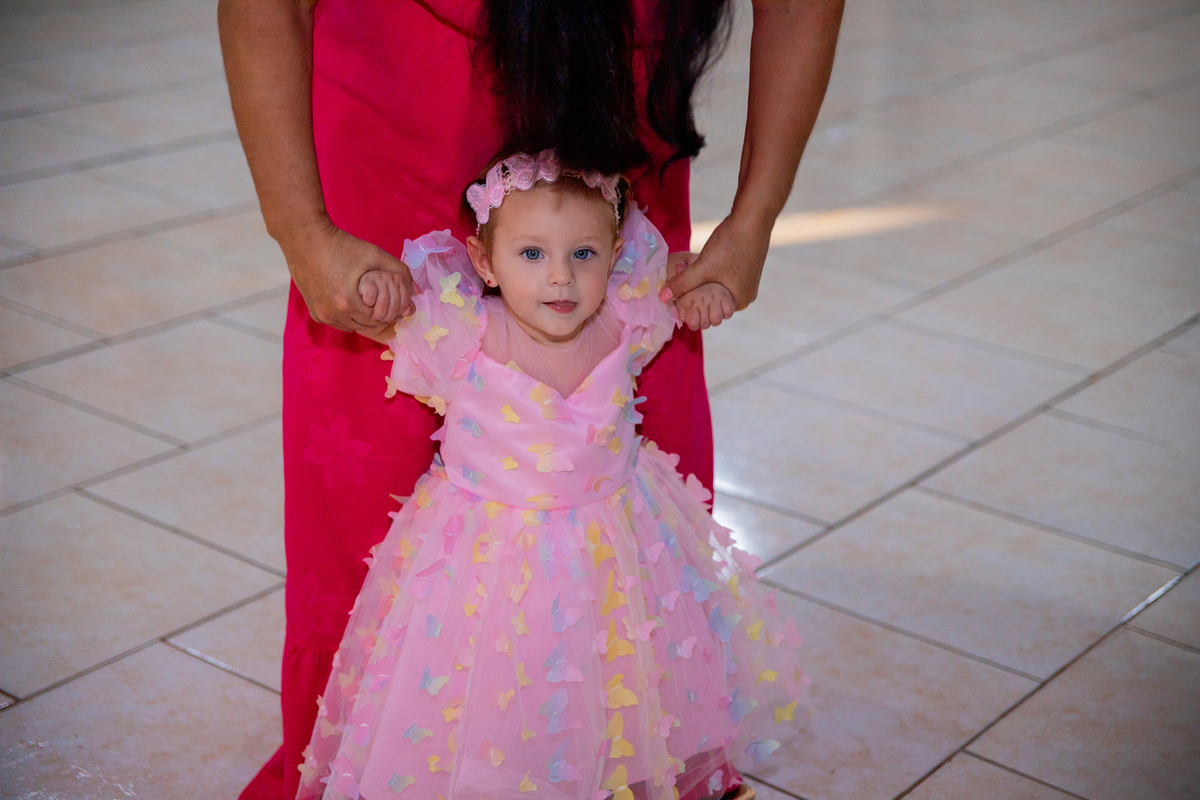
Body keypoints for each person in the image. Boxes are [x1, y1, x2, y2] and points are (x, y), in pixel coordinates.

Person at [217, 2, 843, 797]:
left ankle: (628, 757)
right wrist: (301, 229)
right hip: (398, 99)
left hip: (610, 107)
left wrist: (754, 218)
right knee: (368, 482)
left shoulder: (620, 270)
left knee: (633, 518)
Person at [297, 149, 806, 800]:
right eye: (532, 254)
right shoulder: (460, 332)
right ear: (485, 262)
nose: (560, 279)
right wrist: (378, 289)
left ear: (616, 254)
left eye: (584, 255)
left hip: (616, 558)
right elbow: (375, 309)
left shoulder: (629, 318)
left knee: (619, 678)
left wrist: (706, 292)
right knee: (498, 693)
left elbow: (686, 287)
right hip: (488, 567)